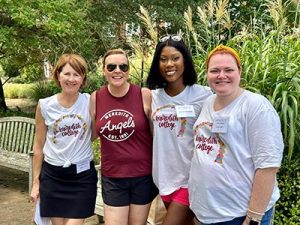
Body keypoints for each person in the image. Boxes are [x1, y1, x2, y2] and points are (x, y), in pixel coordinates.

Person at [189, 45, 284, 225]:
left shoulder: (256, 107)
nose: (221, 75)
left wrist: (253, 218)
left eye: (229, 70)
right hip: (206, 213)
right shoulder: (208, 102)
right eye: (214, 70)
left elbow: (268, 166)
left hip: (238, 215)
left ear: (240, 71)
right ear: (207, 73)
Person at [146, 35, 212, 225]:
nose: (169, 64)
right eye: (163, 59)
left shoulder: (203, 95)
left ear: (185, 60)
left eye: (175, 58)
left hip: (192, 179)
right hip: (164, 178)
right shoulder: (152, 97)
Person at [90, 48, 158, 225]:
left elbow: (156, 135)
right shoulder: (96, 98)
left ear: (128, 70)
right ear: (104, 70)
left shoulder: (143, 94)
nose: (117, 71)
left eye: (123, 66)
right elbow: (91, 133)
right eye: (111, 67)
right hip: (113, 176)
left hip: (142, 175)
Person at [30, 54, 98, 225]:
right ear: (58, 75)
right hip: (53, 177)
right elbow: (38, 147)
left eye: (77, 74)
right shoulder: (45, 105)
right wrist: (36, 183)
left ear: (83, 79)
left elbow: (95, 134)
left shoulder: (90, 101)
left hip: (82, 176)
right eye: (67, 74)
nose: (71, 79)